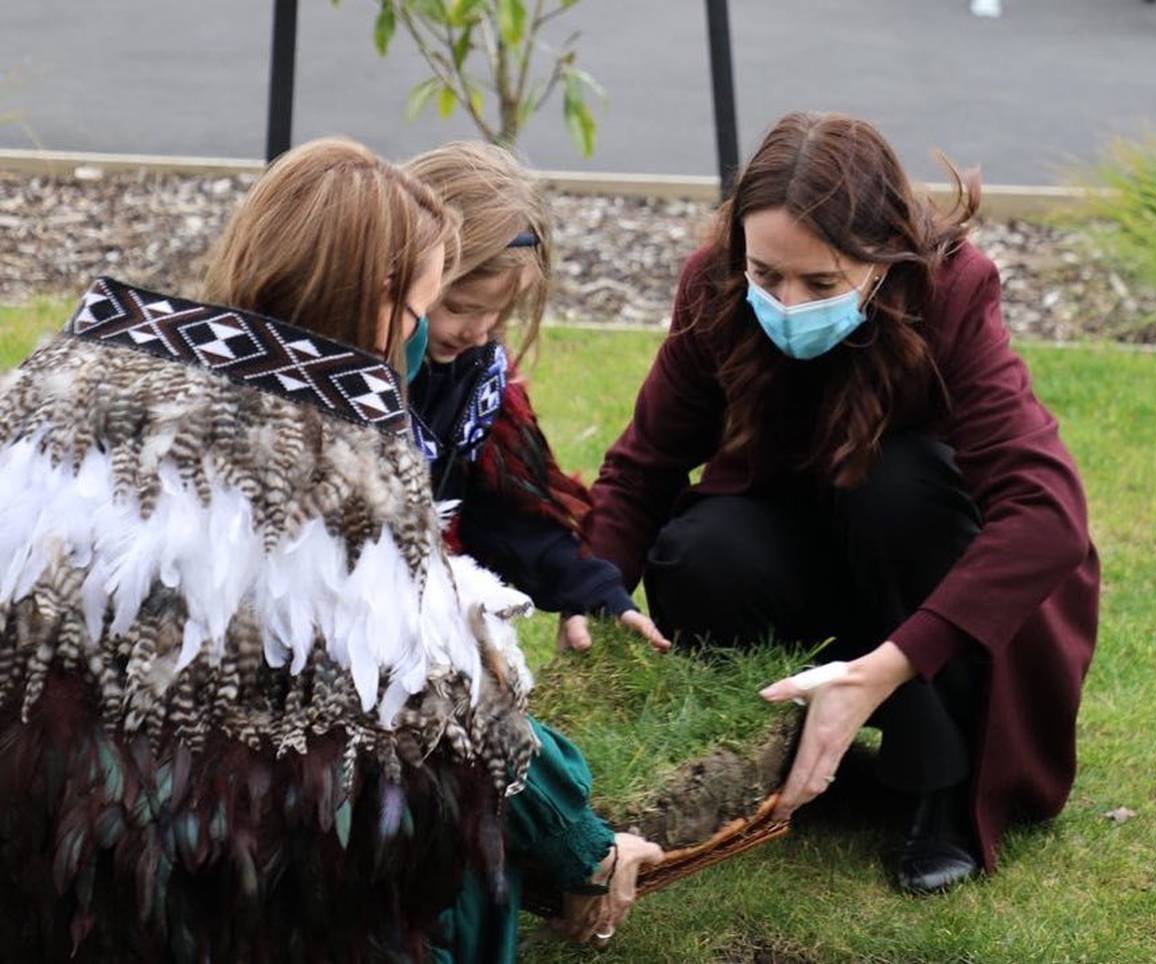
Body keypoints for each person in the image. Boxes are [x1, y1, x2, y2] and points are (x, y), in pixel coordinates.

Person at [1, 136, 561, 961]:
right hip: (212, 867)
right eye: (421, 310)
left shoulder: (57, 376)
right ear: (379, 302)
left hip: (25, 819)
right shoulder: (349, 455)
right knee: (490, 798)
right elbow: (435, 721)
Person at [583, 112, 1100, 896]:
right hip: (805, 553)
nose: (788, 302)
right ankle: (787, 745)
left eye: (820, 283)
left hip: (915, 560)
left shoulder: (952, 290)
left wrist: (886, 667)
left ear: (885, 263)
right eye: (767, 276)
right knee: (701, 550)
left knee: (898, 484)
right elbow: (644, 463)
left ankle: (945, 781)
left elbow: (1047, 513)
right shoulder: (713, 286)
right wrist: (593, 589)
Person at [401, 141, 665, 955]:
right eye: (453, 304)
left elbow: (504, 509)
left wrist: (589, 586)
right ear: (401, 274)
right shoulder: (351, 388)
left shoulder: (476, 374)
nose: (473, 330)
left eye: (494, 314)